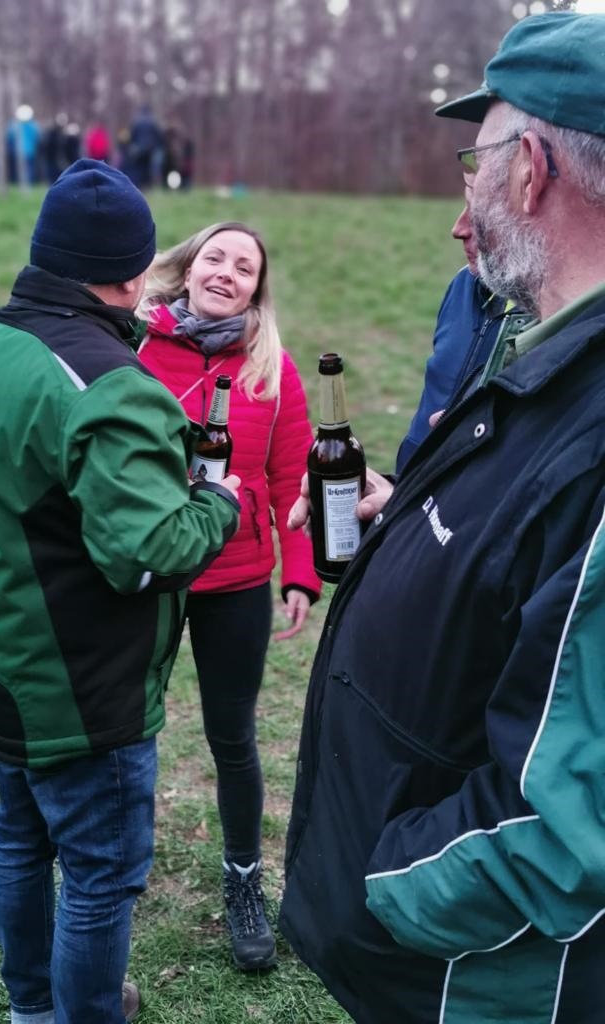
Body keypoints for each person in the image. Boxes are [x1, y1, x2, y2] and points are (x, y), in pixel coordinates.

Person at [280, 12, 605, 1023]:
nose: (463, 204)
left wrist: (380, 892)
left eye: (478, 162)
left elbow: (567, 830)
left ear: (530, 172)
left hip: (465, 982)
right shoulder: (542, 351)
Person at [0, 160, 241, 1024]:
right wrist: (218, 503)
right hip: (77, 680)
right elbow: (148, 556)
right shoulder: (112, 389)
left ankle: (34, 1008)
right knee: (100, 876)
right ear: (134, 272)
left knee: (20, 834)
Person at [138, 221, 321, 970]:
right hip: (146, 575)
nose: (227, 273)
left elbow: (292, 479)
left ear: (256, 290)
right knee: (123, 728)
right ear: (188, 269)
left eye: (244, 268)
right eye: (215, 257)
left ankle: (244, 879)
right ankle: (111, 867)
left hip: (236, 579)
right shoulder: (133, 347)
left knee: (233, 739)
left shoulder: (272, 369)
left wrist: (300, 571)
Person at [395, 190, 533, 473]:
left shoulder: (561, 320)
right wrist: (397, 485)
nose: (458, 229)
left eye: (480, 210)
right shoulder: (463, 285)